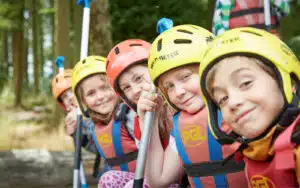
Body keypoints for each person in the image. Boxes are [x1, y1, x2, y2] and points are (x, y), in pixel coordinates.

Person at [141, 24, 247, 188]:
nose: (179, 92)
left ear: (212, 71)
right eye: (169, 86)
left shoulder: (242, 109)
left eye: (185, 77)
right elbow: (157, 180)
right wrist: (150, 121)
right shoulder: (182, 126)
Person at [199, 27, 300, 187]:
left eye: (245, 83)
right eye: (222, 99)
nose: (232, 102)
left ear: (290, 84)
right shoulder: (255, 151)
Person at [99, 39, 179, 188]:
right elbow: (148, 172)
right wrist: (147, 121)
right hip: (158, 178)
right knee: (108, 179)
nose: (135, 90)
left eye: (138, 78)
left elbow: (158, 181)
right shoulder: (138, 120)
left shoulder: (179, 107)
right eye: (127, 88)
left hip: (179, 181)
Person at [71, 56, 138, 187]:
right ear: (83, 102)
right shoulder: (95, 125)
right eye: (91, 93)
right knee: (105, 178)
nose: (100, 97)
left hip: (147, 178)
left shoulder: (130, 115)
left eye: (104, 88)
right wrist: (74, 132)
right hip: (119, 179)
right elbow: (99, 147)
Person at [51, 68, 99, 162]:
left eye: (72, 91)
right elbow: (97, 149)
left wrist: (83, 121)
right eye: (64, 96)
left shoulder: (100, 107)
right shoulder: (75, 119)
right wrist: (75, 133)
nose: (69, 97)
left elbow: (107, 138)